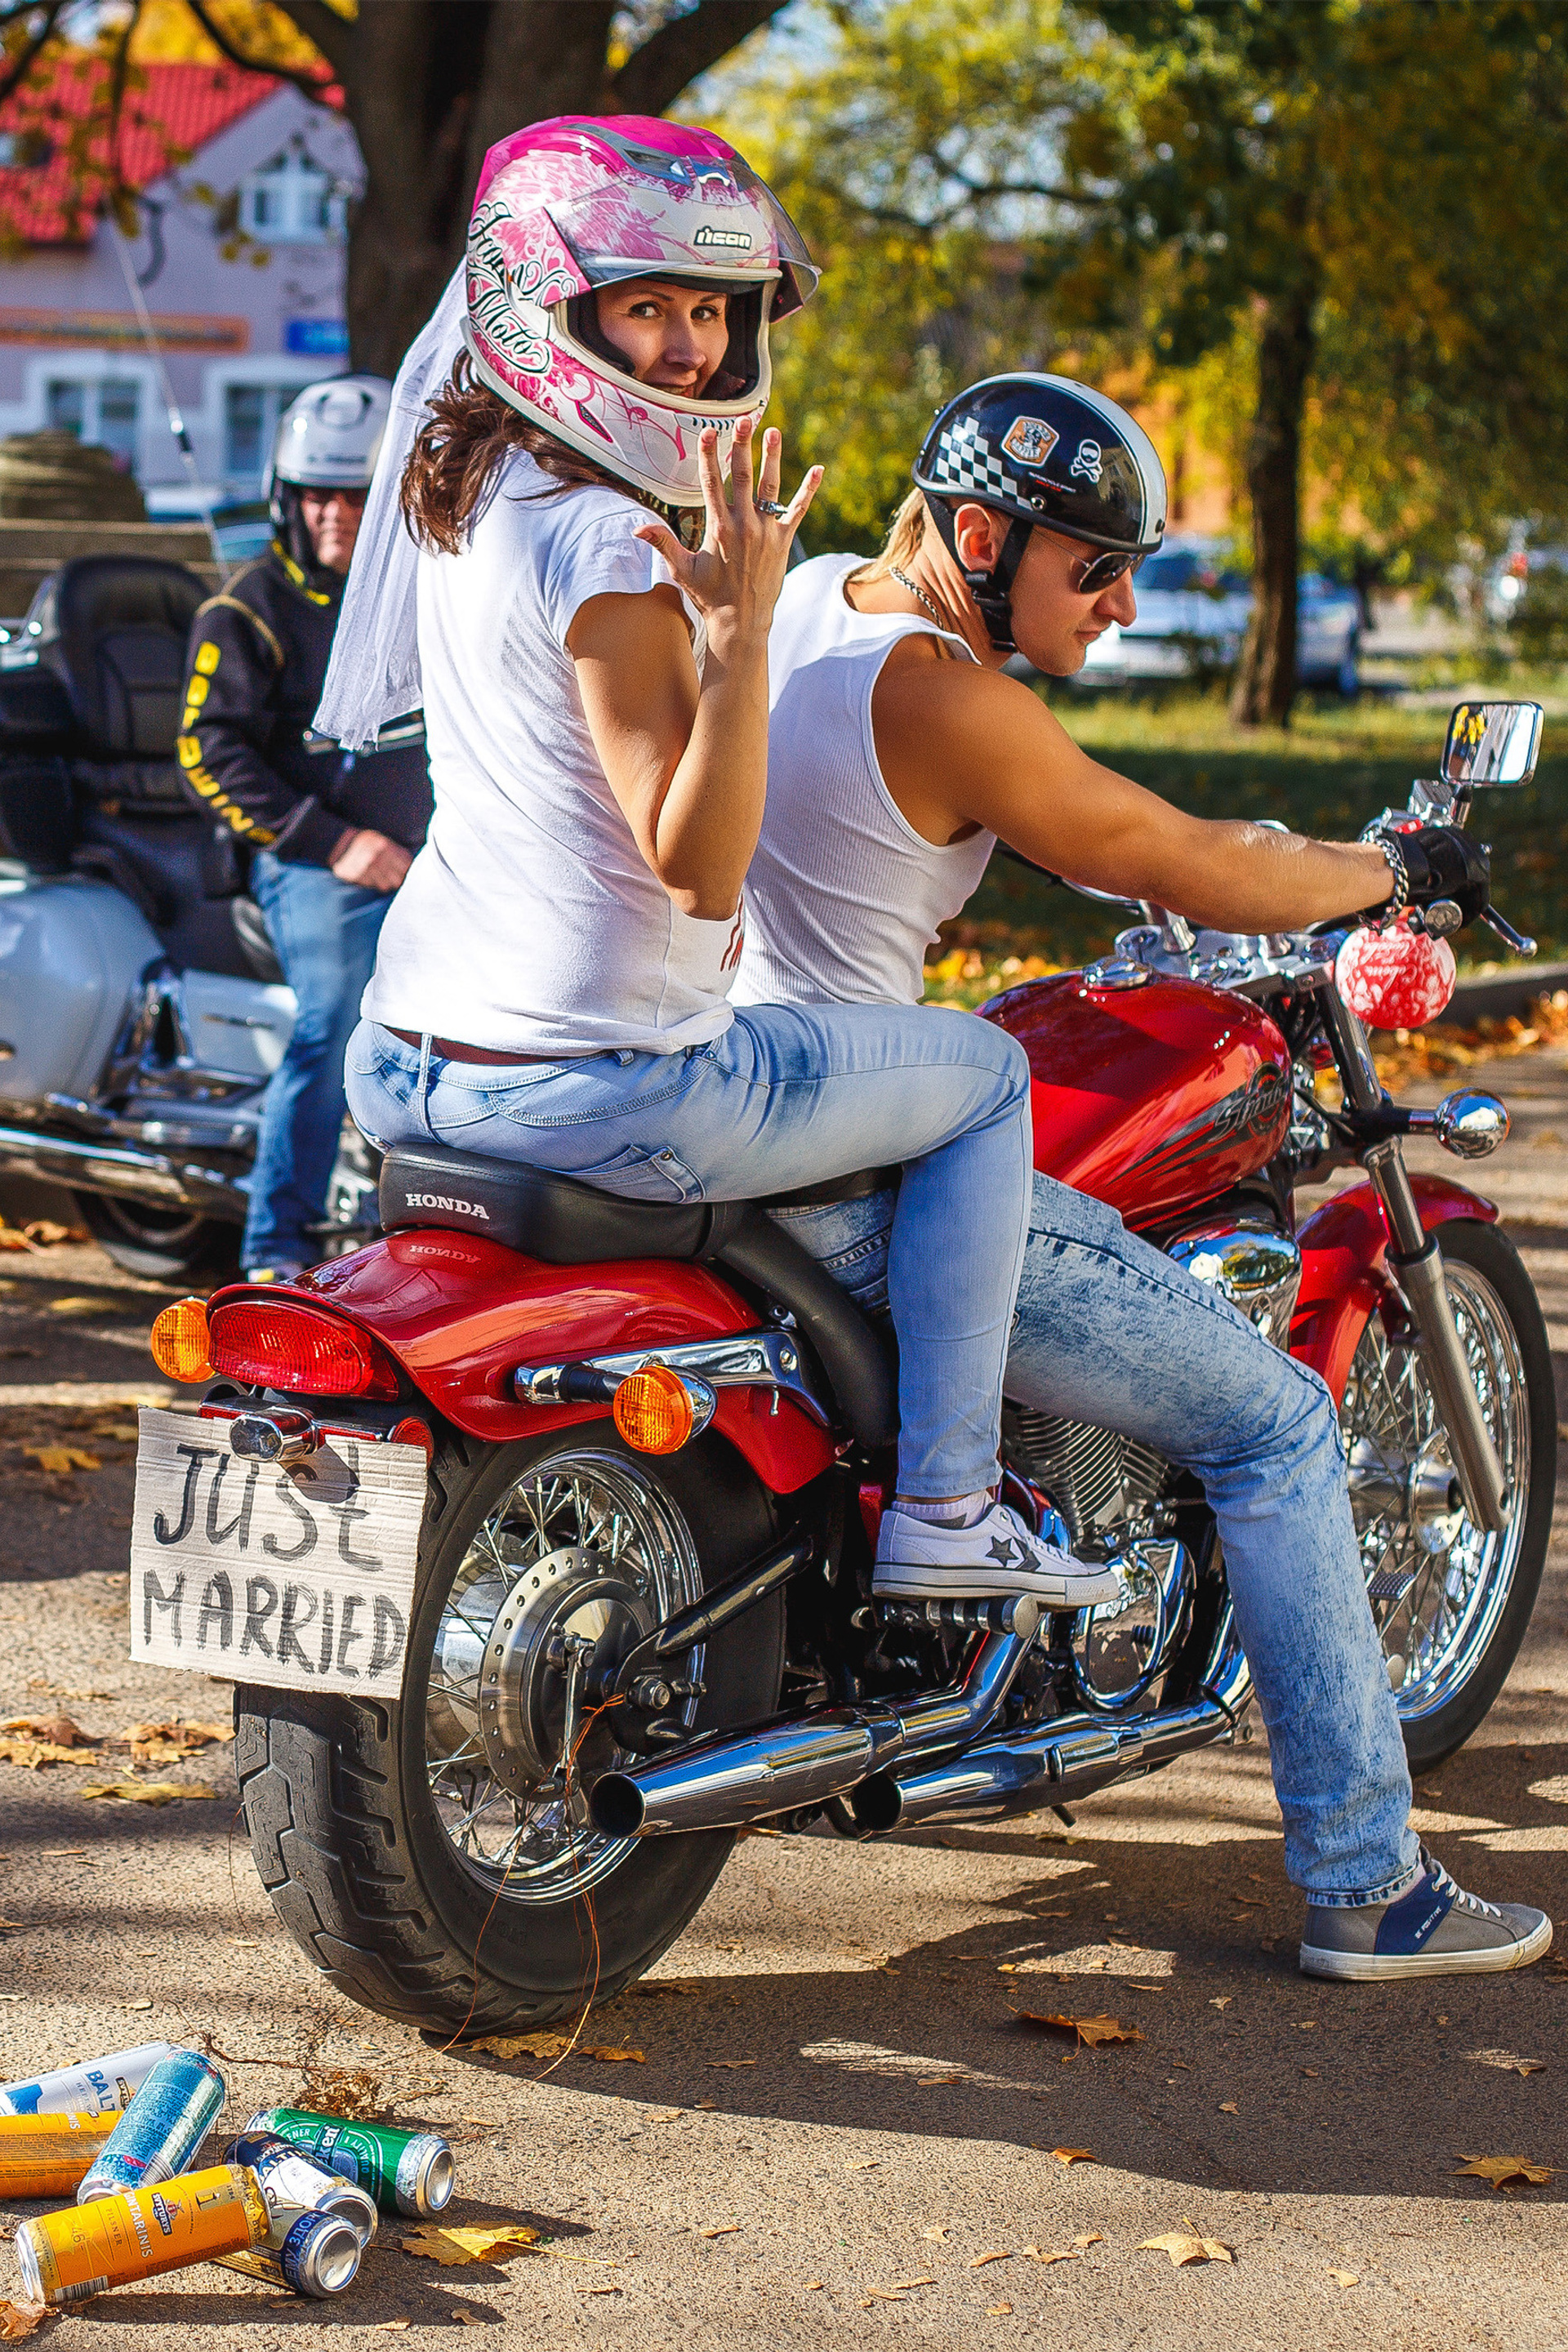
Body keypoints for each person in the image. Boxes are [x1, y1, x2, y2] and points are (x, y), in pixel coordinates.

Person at [731, 371, 1550, 1982]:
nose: (1121, 601)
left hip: (748, 1115)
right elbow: (1177, 859)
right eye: (1094, 565)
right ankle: (1370, 1886)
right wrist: (1398, 867)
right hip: (861, 1165)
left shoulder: (812, 608)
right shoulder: (948, 695)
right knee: (1278, 1422)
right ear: (980, 535)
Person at [323, 116, 1115, 1613]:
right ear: (548, 308)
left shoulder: (467, 494)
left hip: (410, 1056)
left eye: (711, 309)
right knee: (983, 1077)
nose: (689, 348)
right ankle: (949, 1501)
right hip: (603, 1078)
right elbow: (697, 867)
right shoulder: (614, 546)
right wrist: (744, 639)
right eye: (647, 305)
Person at [177, 376, 432, 1279]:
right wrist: (336, 843)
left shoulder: (424, 596)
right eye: (319, 494)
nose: (336, 514)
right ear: (289, 497)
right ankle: (274, 1254)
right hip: (312, 864)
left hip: (433, 860)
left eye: (357, 495)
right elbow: (207, 752)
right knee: (336, 1023)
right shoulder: (247, 609)